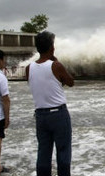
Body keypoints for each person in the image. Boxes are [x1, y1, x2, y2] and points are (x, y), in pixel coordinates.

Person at [26, 31, 75, 176]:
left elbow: (41, 84)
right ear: (52, 48)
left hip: (40, 116)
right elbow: (70, 82)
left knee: (43, 152)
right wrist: (56, 60)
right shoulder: (56, 65)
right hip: (58, 115)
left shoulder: (29, 68)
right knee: (63, 152)